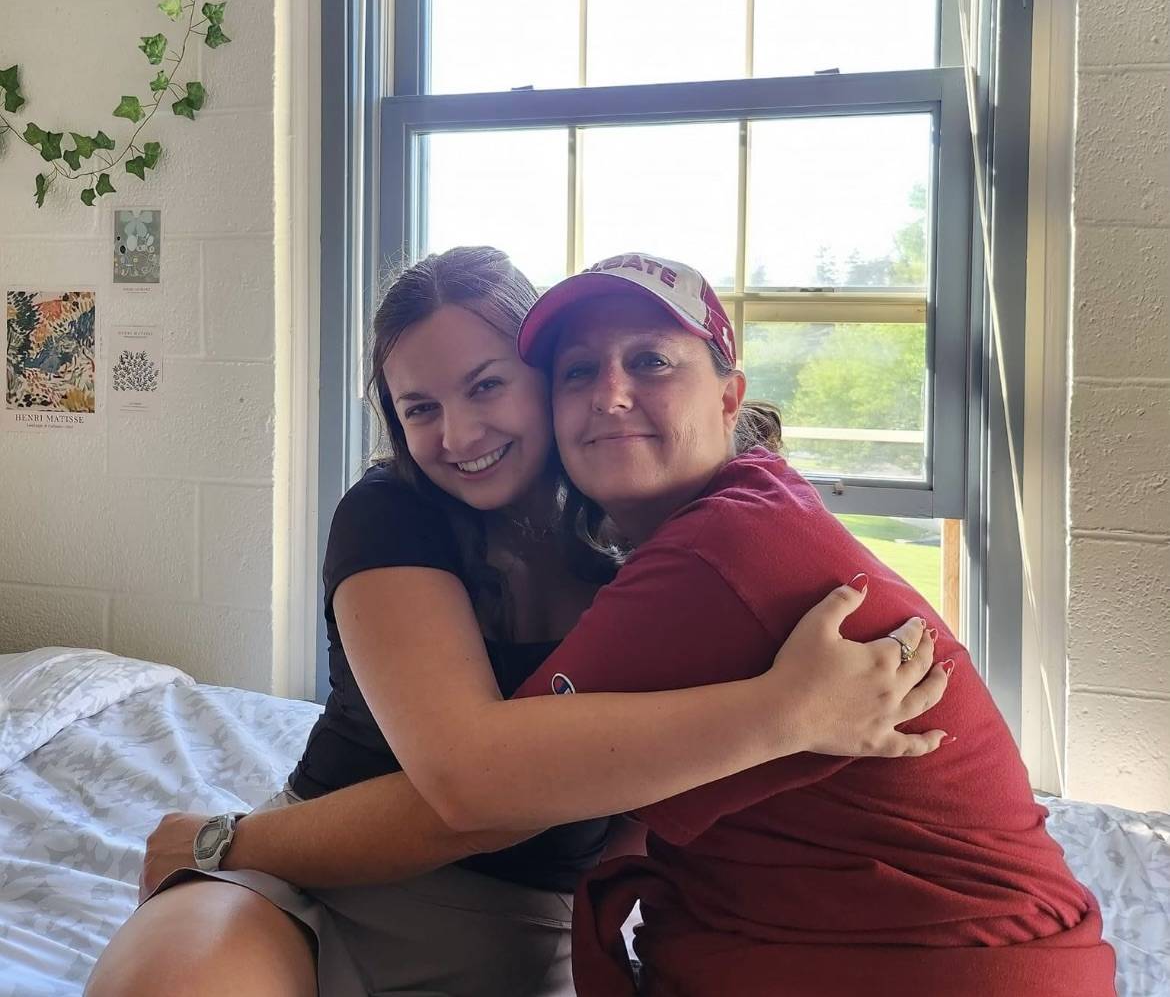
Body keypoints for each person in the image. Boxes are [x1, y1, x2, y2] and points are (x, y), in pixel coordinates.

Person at [86, 246, 946, 997]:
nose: (459, 434)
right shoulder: (389, 511)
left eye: (486, 386)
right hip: (308, 876)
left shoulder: (648, 533)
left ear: (548, 378)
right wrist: (230, 844)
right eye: (420, 409)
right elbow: (471, 785)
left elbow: (645, 793)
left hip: (527, 928)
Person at [506, 250, 1117, 997]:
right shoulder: (758, 502)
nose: (609, 394)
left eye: (651, 361)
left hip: (935, 964)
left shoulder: (716, 550)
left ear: (729, 399)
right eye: (577, 371)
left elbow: (483, 788)